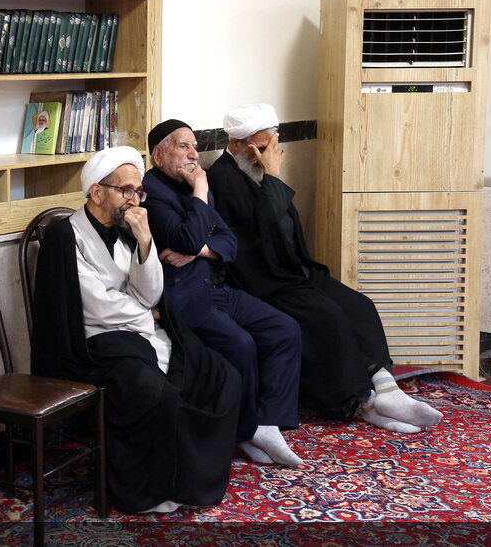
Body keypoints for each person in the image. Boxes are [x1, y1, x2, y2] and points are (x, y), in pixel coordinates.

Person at [30, 146, 242, 514]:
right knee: (154, 392)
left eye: (138, 191)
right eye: (126, 190)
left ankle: (190, 479)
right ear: (97, 192)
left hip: (136, 333)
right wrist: (148, 316)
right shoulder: (67, 237)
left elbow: (150, 293)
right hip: (93, 344)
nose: (134, 199)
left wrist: (146, 242)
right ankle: (146, 491)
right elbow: (97, 306)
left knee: (220, 375)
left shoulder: (127, 230)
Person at [208, 103, 444, 433]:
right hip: (263, 280)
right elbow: (265, 227)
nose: (268, 155)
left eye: (272, 146)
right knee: (326, 316)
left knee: (360, 306)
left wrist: (269, 174)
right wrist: (273, 175)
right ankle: (361, 401)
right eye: (260, 148)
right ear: (236, 144)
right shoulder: (223, 179)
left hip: (293, 269)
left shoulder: (254, 168)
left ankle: (387, 388)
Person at [141, 121, 304, 467]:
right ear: (158, 155)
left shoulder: (190, 184)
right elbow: (186, 238)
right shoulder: (152, 192)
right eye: (183, 146)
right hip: (183, 296)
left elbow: (229, 242)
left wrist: (198, 250)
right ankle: (244, 430)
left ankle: (267, 422)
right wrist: (200, 190)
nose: (193, 154)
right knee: (240, 344)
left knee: (284, 328)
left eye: (194, 146)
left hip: (217, 287)